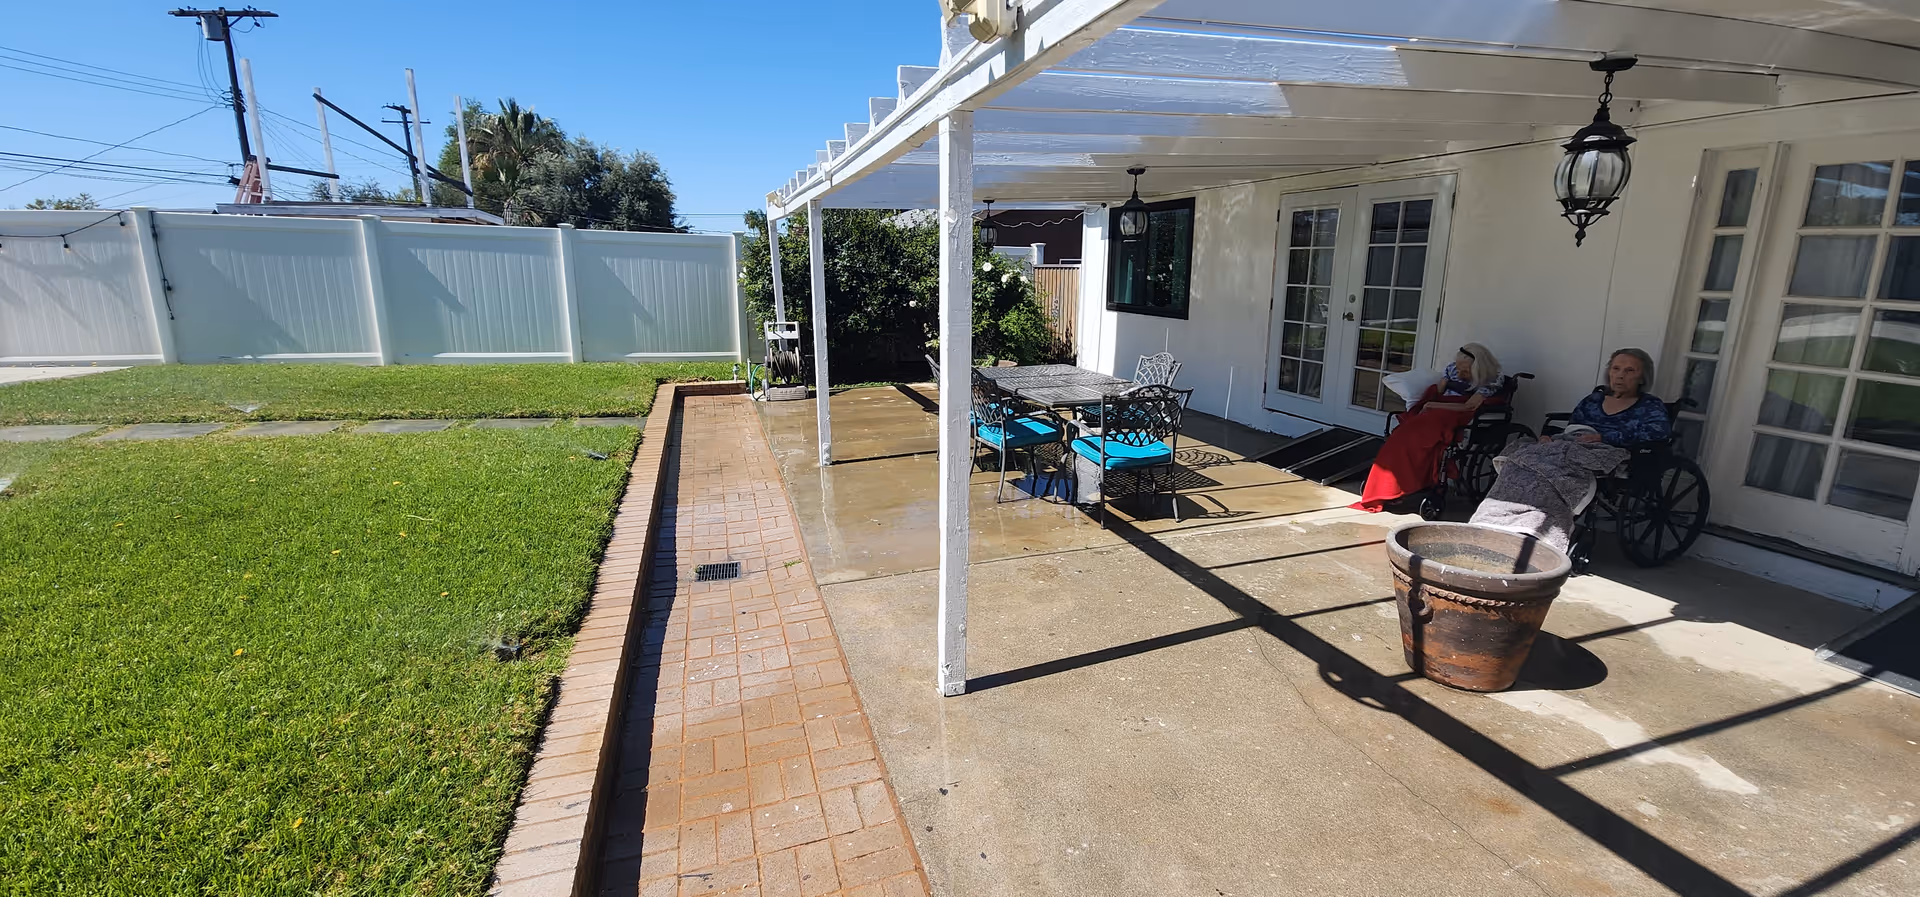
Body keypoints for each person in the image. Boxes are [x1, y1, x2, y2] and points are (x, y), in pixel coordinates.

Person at [1352, 343, 1510, 512]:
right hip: (1438, 408)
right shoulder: (1452, 369)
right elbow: (1439, 391)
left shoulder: (1493, 378)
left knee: (1417, 438)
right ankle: (1391, 485)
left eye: (1465, 369)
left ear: (1479, 368)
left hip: (1457, 412)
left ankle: (1399, 485)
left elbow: (1469, 407)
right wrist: (1430, 398)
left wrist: (1432, 405)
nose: (1459, 372)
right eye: (1457, 367)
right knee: (1403, 437)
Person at [1550, 347, 1670, 447]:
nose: (1620, 375)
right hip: (1573, 451)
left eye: (1630, 370)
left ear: (1642, 378)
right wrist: (1551, 439)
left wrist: (1604, 438)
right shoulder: (1593, 400)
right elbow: (1572, 430)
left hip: (1612, 462)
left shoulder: (1650, 406)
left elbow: (1658, 433)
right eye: (1616, 368)